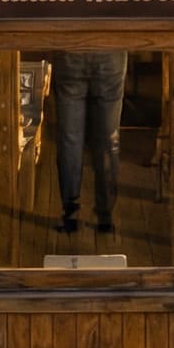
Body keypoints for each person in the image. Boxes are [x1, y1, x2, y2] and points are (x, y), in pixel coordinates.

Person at [48, 48, 127, 235]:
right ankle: (105, 216)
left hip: (70, 51)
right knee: (108, 141)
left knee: (70, 140)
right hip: (110, 50)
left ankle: (70, 214)